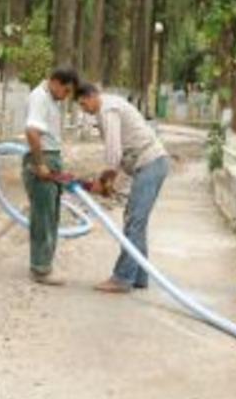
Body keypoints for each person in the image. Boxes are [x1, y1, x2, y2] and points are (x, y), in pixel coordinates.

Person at [75, 82, 169, 293]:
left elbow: (114, 153)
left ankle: (122, 278)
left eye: (83, 104)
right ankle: (139, 276)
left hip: (150, 163)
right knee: (136, 221)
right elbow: (122, 155)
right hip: (147, 164)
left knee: (134, 221)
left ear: (92, 96)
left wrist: (104, 179)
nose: (84, 109)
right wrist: (111, 184)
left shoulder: (108, 109)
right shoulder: (106, 109)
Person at [22, 67, 79, 286]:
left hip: (51, 158)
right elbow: (32, 132)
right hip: (42, 161)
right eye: (65, 90)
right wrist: (40, 164)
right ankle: (40, 269)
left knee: (51, 214)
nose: (66, 96)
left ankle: (44, 263)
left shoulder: (51, 99)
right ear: (55, 82)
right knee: (43, 217)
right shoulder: (40, 98)